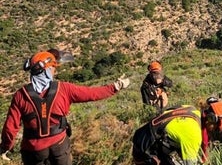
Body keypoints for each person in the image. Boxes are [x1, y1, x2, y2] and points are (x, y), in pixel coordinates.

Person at [0, 50, 130, 164]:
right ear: (47, 70)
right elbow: (92, 94)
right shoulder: (64, 89)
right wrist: (116, 86)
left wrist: (5, 147)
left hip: (33, 151)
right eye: (52, 68)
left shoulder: (20, 95)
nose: (54, 71)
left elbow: (10, 128)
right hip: (59, 146)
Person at [132, 97, 222, 165]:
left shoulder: (191, 109)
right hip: (145, 150)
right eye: (216, 127)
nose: (214, 130)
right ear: (211, 120)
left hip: (144, 135)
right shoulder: (193, 134)